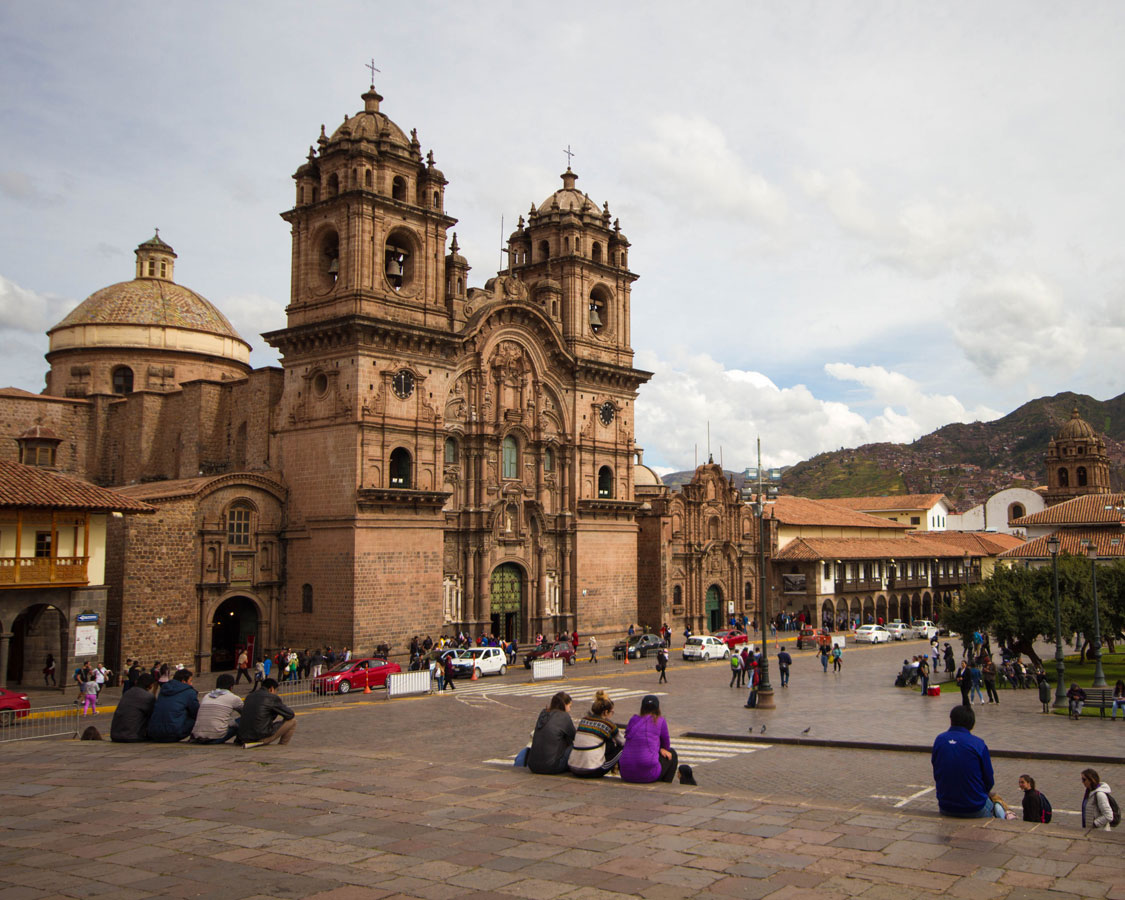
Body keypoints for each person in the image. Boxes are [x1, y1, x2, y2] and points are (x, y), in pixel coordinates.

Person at [932, 704, 1002, 818]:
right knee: (998, 806)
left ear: (951, 720)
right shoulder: (977, 744)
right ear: (971, 723)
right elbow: (989, 779)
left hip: (946, 805)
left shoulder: (940, 740)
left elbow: (937, 770)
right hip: (974, 806)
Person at [620, 695, 692, 785]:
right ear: (658, 708)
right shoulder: (660, 721)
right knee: (671, 754)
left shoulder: (633, 720)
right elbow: (666, 746)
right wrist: (660, 748)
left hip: (626, 773)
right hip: (647, 775)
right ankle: (665, 784)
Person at [569, 690, 624, 778]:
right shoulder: (608, 724)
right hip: (592, 770)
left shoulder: (584, 720)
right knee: (623, 749)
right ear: (606, 712)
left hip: (573, 767)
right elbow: (623, 742)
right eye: (611, 712)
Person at [525, 691, 575, 775]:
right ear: (565, 705)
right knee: (575, 745)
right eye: (569, 706)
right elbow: (575, 737)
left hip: (533, 766)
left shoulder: (543, 713)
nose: (569, 710)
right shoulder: (564, 717)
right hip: (551, 767)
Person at [237, 678, 296, 748]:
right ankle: (282, 746)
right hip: (259, 737)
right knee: (292, 722)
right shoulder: (272, 698)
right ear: (271, 689)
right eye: (276, 690)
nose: (276, 693)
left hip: (243, 737)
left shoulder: (249, 696)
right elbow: (290, 714)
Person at [147, 669, 200, 742]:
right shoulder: (189, 691)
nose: (191, 684)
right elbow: (196, 712)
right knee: (198, 716)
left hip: (155, 732)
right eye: (190, 681)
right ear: (183, 681)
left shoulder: (164, 689)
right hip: (173, 733)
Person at [190, 674, 244, 744]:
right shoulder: (234, 698)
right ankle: (240, 739)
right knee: (242, 720)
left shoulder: (207, 696)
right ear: (231, 687)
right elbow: (245, 713)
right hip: (216, 737)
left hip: (198, 736)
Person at [111, 673, 158, 742]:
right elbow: (153, 716)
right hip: (132, 736)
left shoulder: (127, 693)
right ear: (150, 685)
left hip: (115, 735)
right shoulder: (148, 697)